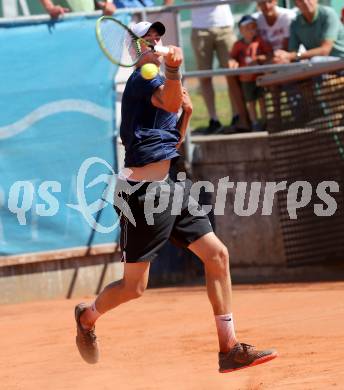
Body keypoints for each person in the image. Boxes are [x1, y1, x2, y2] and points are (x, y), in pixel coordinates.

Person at [74, 20, 278, 372]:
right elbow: (168, 100)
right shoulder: (143, 79)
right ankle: (87, 317)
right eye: (146, 37)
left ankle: (228, 348)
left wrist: (187, 115)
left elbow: (172, 137)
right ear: (134, 48)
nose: (155, 39)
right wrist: (173, 71)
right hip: (141, 195)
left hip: (170, 188)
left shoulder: (160, 80)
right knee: (134, 288)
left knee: (217, 255)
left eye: (157, 35)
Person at [229, 15, 272, 132]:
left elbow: (268, 55)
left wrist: (258, 58)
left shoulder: (260, 41)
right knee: (250, 102)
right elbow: (233, 58)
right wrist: (233, 63)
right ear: (241, 30)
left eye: (253, 27)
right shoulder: (238, 45)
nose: (251, 30)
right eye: (247, 28)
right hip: (246, 79)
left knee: (262, 100)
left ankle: (265, 121)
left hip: (259, 77)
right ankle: (254, 122)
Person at [274, 0, 344, 63]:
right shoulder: (295, 22)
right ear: (296, 4)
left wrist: (293, 56)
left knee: (315, 61)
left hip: (340, 60)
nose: (305, 2)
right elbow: (292, 52)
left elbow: (325, 50)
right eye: (300, 0)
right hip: (319, 64)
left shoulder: (328, 14)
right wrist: (282, 57)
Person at [40, 0, 116, 19]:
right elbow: (50, 8)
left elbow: (99, 3)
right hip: (65, 32)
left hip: (92, 30)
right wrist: (50, 8)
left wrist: (106, 6)